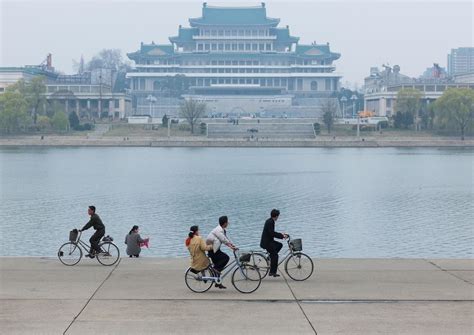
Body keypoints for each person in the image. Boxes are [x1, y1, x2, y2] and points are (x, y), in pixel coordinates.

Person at [260, 209, 288, 277]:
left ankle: (270, 257)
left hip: (269, 241)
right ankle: (272, 272)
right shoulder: (270, 222)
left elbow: (272, 232)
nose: (278, 217)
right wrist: (282, 236)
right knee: (275, 256)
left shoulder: (270, 220)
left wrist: (281, 234)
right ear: (276, 216)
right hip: (266, 243)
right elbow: (272, 233)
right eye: (278, 216)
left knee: (279, 245)